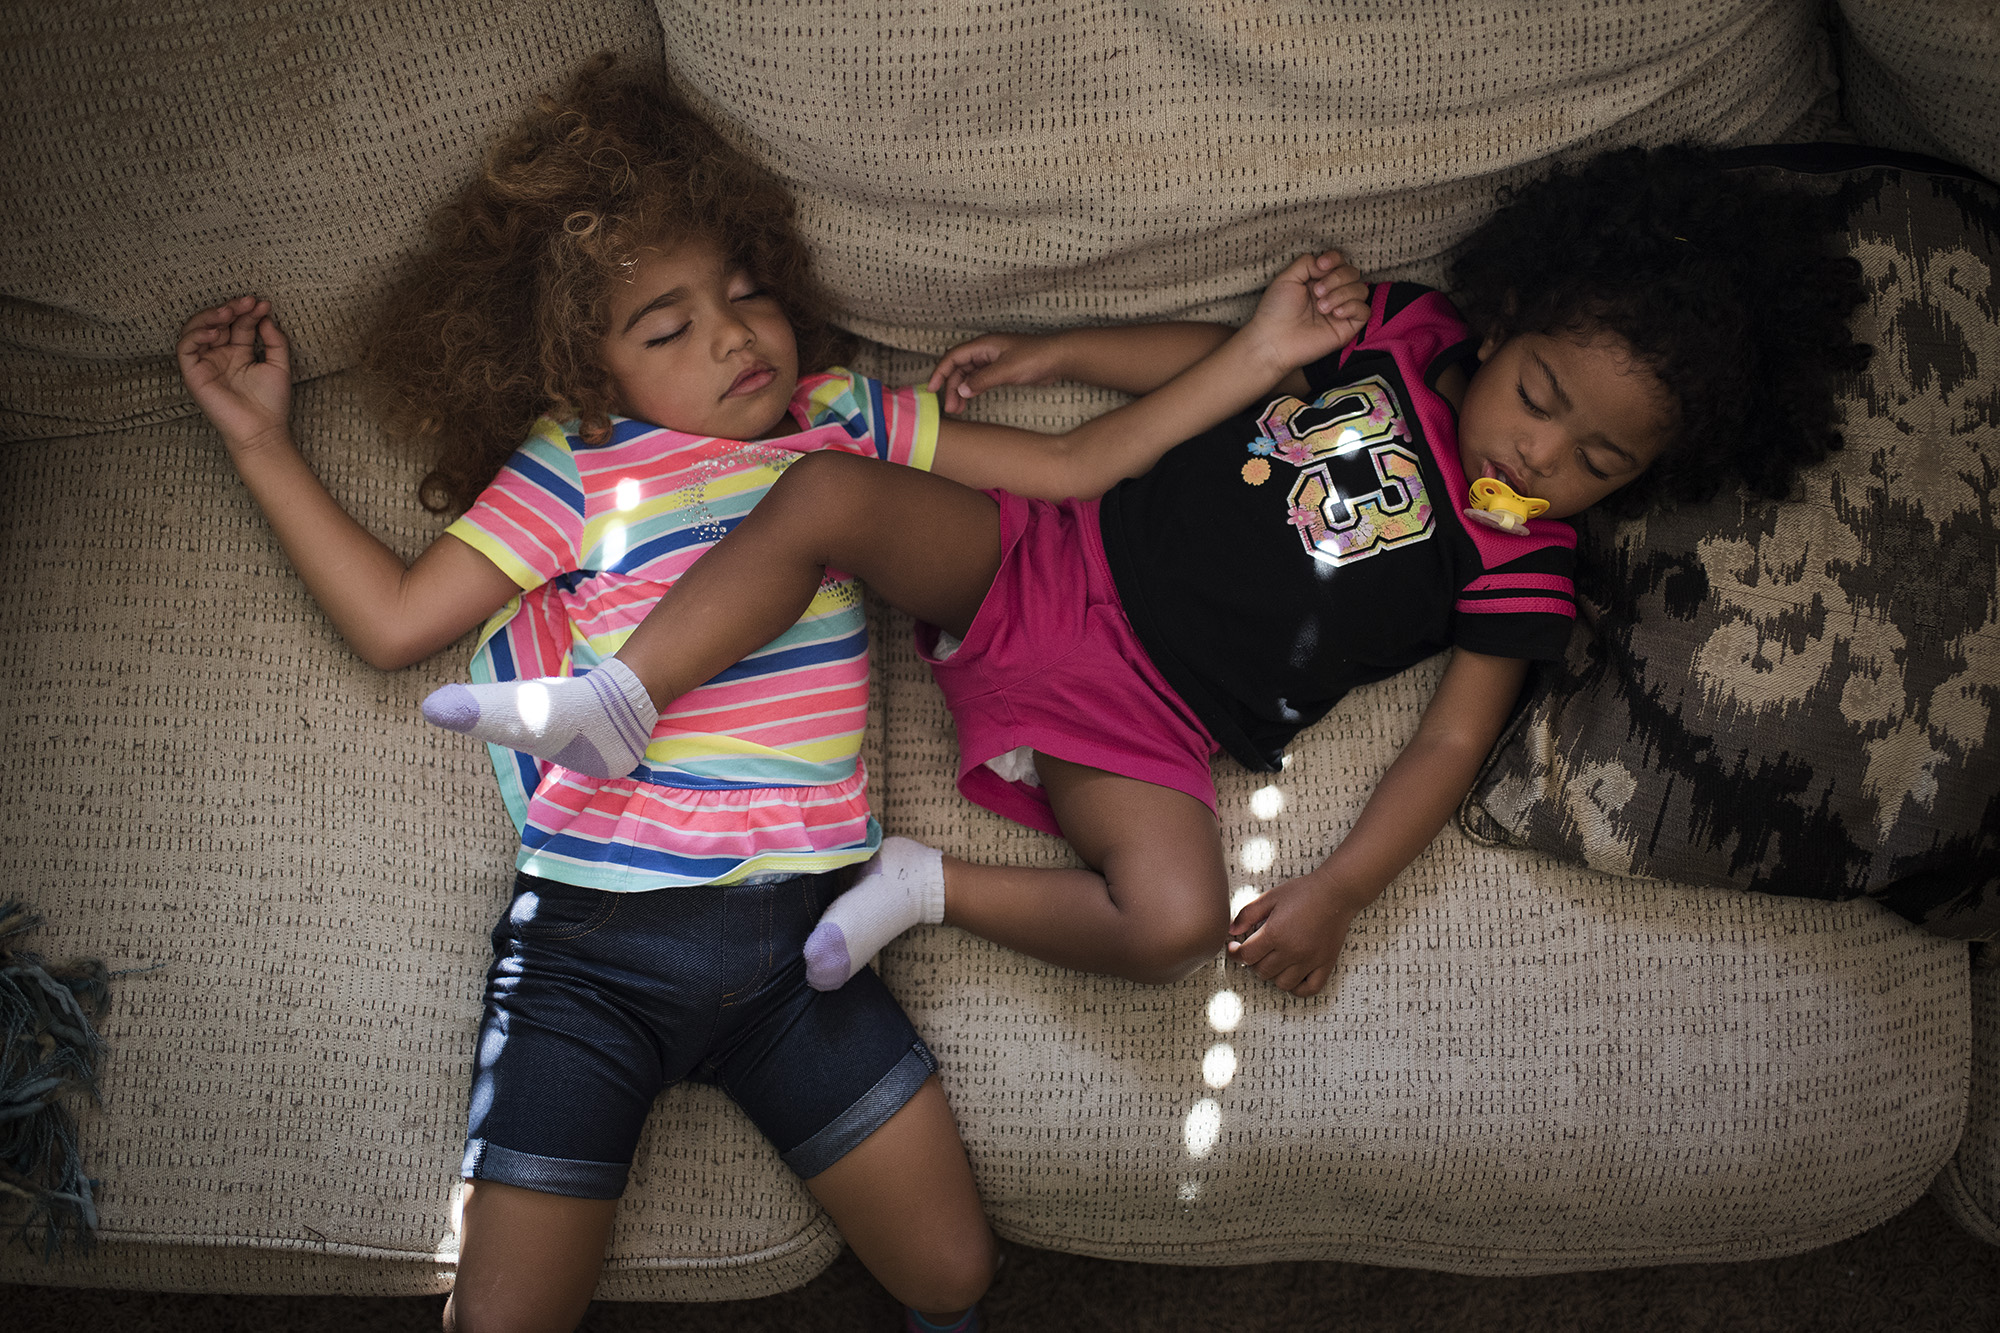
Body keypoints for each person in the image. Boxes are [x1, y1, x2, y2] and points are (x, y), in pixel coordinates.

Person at [424, 144, 1869, 1010]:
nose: (1549, 454)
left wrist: (1345, 889)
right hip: (1045, 563)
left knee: (1174, 927)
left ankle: (922, 885)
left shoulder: (1527, 563)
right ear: (1504, 323)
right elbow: (1209, 361)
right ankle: (620, 697)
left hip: (1142, 731)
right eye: (1544, 396)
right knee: (822, 489)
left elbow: (1450, 736)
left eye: (1603, 460)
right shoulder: (1404, 336)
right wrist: (1059, 355)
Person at [177, 58, 1020, 1333]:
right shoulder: (575, 467)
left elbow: (1044, 486)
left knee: (953, 1276)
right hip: (589, 950)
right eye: (667, 328)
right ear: (590, 370)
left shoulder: (837, 421)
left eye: (745, 295)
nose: (732, 337)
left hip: (804, 946)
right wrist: (258, 438)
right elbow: (396, 622)